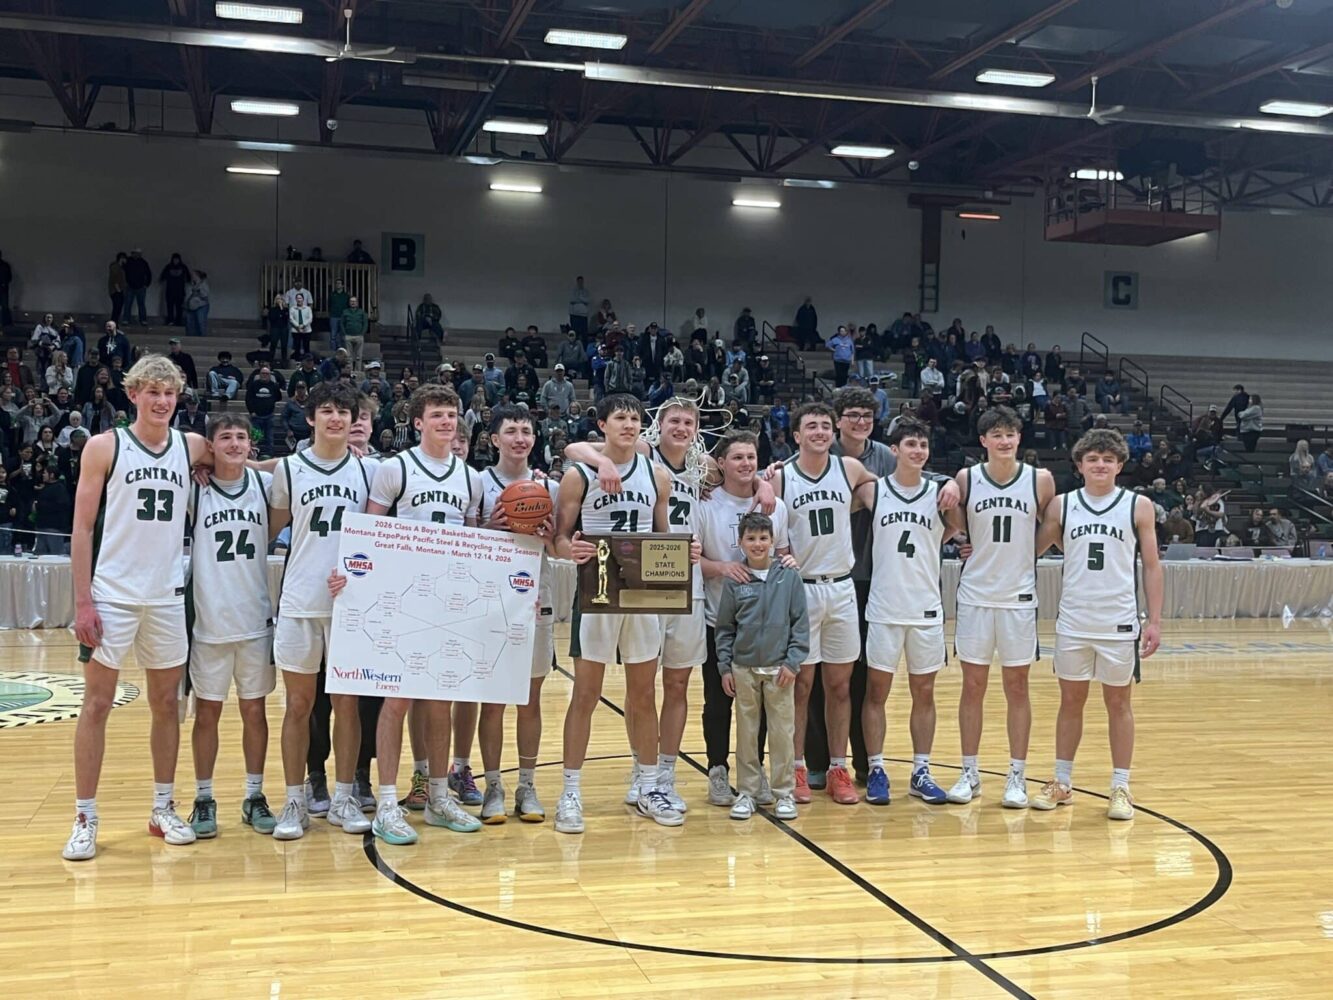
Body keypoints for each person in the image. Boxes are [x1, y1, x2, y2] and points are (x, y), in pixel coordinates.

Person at [63, 355, 216, 861]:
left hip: (168, 595)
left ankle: (161, 807)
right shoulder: (105, 446)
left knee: (166, 704)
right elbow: (82, 528)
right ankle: (85, 815)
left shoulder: (192, 445)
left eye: (169, 392)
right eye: (151, 391)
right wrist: (83, 601)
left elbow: (239, 462)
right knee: (98, 705)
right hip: (113, 594)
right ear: (132, 395)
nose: (161, 400)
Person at [329, 384, 484, 844]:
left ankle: (438, 797)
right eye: (436, 415)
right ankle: (389, 802)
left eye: (451, 415)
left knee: (440, 703)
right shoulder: (394, 469)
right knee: (396, 702)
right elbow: (369, 532)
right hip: (399, 600)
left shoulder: (469, 478)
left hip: (448, 602)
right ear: (417, 423)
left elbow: (474, 543)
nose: (446, 422)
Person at [566, 397, 709, 814]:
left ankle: (649, 788)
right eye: (620, 418)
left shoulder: (657, 476)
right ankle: (571, 792)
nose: (628, 425)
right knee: (586, 694)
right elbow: (560, 536)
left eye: (634, 419)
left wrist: (687, 553)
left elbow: (663, 537)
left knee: (643, 693)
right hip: (598, 587)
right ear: (603, 424)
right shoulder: (580, 474)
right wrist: (568, 548)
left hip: (643, 592)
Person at [1030, 428, 1163, 821]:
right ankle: (1061, 781)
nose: (1100, 464)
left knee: (1118, 704)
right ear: (1080, 465)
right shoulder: (1061, 506)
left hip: (1119, 621)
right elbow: (1030, 550)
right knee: (1070, 702)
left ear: (1120, 465)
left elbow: (1153, 566)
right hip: (1074, 619)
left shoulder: (1139, 505)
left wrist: (1154, 620)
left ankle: (1121, 786)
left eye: (1108, 459)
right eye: (1092, 459)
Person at [266, 381, 374, 841]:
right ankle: (295, 799)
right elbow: (270, 533)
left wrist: (359, 573)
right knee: (298, 705)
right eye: (326, 410)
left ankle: (345, 795)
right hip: (299, 601)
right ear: (310, 418)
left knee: (348, 704)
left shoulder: (370, 473)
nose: (336, 418)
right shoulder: (290, 470)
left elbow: (377, 543)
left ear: (354, 422)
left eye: (344, 412)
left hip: (349, 606)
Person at [943, 405, 1056, 809]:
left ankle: (1017, 775)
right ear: (984, 441)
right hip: (975, 594)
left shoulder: (1040, 480)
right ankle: (969, 772)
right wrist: (961, 542)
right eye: (997, 434)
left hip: (1018, 598)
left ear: (1019, 439)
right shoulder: (966, 478)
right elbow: (953, 522)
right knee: (972, 686)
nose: (1004, 441)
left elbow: (1053, 525)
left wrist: (1030, 554)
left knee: (1017, 687)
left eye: (1011, 434)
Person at [769, 403, 877, 805]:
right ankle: (795, 768)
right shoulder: (780, 477)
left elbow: (894, 492)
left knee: (840, 686)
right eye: (810, 426)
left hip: (842, 589)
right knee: (800, 686)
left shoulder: (849, 469)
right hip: (801, 590)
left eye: (825, 426)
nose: (819, 432)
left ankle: (837, 768)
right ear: (795, 435)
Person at [852, 417, 953, 806]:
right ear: (893, 450)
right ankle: (876, 767)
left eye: (923, 445)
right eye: (910, 444)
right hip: (883, 607)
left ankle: (921, 770)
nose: (918, 451)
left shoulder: (942, 494)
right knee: (876, 692)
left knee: (923, 692)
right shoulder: (873, 491)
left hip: (925, 608)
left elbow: (967, 527)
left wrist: (955, 485)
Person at [184, 414, 277, 838]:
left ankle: (254, 795)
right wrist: (199, 462)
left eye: (241, 437)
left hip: (255, 619)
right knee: (208, 713)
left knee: (254, 711)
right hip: (209, 623)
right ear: (210, 444)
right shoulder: (195, 488)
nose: (235, 443)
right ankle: (203, 798)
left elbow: (293, 465)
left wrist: (251, 464)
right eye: (226, 438)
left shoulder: (262, 485)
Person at [472, 406, 560, 824]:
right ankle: (492, 785)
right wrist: (488, 529)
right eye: (511, 431)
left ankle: (527, 784)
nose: (520, 438)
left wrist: (549, 537)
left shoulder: (549, 487)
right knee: (493, 703)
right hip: (489, 601)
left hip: (534, 600)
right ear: (494, 439)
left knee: (530, 700)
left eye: (526, 431)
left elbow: (560, 548)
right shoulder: (479, 483)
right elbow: (462, 541)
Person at [714, 511, 805, 821]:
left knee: (781, 734)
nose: (757, 544)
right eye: (751, 538)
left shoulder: (789, 577)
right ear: (740, 542)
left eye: (763, 538)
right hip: (744, 669)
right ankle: (748, 792)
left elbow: (800, 625)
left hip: (780, 670)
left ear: (773, 541)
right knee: (747, 734)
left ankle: (783, 794)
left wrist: (793, 662)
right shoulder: (735, 580)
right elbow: (724, 627)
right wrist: (725, 667)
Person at [245, 366, 283, 457]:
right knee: (256, 438)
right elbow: (248, 399)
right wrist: (251, 411)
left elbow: (278, 397)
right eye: (263, 373)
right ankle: (254, 455)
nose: (264, 375)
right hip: (256, 416)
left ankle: (270, 455)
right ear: (259, 374)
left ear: (270, 375)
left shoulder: (273, 385)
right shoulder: (254, 385)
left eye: (267, 374)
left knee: (269, 437)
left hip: (269, 416)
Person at [160, 253, 191, 326]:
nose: (176, 261)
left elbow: (188, 278)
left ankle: (178, 321)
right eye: (174, 259)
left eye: (177, 259)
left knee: (179, 308)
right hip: (170, 291)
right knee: (170, 307)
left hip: (180, 291)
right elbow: (162, 277)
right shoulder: (168, 267)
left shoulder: (183, 267)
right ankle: (170, 320)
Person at [123, 249, 152, 325]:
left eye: (138, 254)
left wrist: (146, 284)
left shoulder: (143, 263)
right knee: (128, 304)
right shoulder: (128, 262)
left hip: (141, 287)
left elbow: (148, 274)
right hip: (130, 286)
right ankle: (126, 319)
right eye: (135, 253)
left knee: (141, 304)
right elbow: (123, 273)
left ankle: (143, 320)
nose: (136, 255)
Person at [342, 295, 368, 371]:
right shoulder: (345, 312)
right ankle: (349, 371)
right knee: (349, 356)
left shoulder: (361, 312)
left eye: (354, 301)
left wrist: (362, 333)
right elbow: (342, 323)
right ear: (349, 303)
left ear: (357, 303)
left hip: (359, 336)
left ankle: (358, 371)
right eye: (351, 301)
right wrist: (344, 333)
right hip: (348, 336)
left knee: (359, 356)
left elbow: (365, 323)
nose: (353, 303)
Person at [288, 293, 313, 361]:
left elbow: (310, 318)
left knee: (306, 347)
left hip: (306, 330)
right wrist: (298, 326)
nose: (299, 300)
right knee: (297, 347)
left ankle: (307, 361)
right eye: (298, 298)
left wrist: (303, 325)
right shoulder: (292, 309)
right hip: (296, 330)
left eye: (300, 298)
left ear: (303, 299)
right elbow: (291, 319)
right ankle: (297, 361)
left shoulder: (308, 308)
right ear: (296, 299)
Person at [107, 252, 126, 323]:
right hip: (116, 291)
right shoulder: (116, 267)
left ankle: (115, 322)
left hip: (118, 290)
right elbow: (115, 280)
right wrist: (119, 290)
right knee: (117, 308)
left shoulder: (121, 268)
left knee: (118, 308)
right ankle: (114, 322)